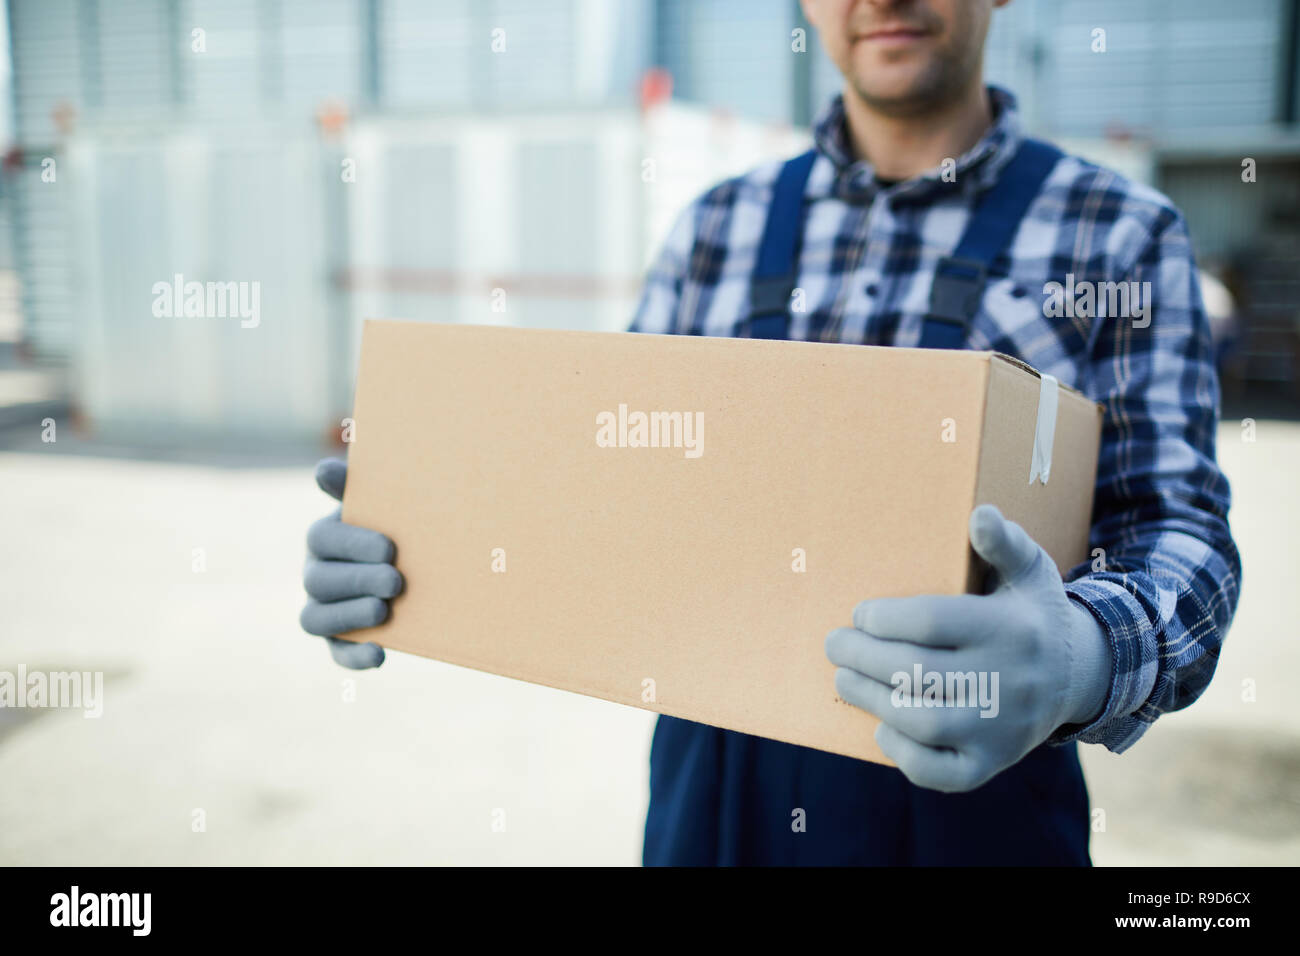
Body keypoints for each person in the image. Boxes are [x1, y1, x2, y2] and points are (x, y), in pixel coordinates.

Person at [300, 0, 1241, 865]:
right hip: (713, 798)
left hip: (976, 798)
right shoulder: (716, 229)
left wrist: (1080, 657)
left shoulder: (1116, 236)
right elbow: (608, 492)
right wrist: (431, 529)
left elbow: (1179, 528)